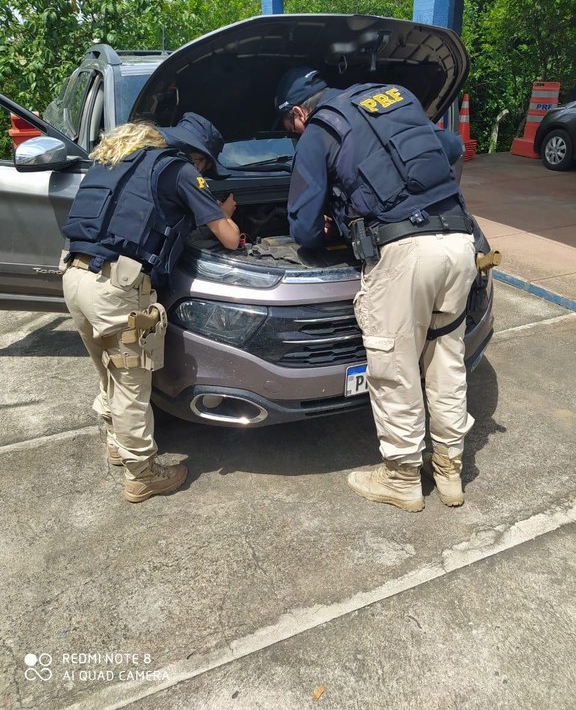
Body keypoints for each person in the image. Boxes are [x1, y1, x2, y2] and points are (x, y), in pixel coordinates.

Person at [275, 67, 478, 512]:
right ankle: (449, 470)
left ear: (297, 112)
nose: (293, 135)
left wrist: (331, 226)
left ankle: (403, 478)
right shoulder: (394, 97)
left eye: (290, 128)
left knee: (394, 365)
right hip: (460, 240)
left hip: (404, 253)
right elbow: (451, 147)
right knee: (446, 359)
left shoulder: (319, 128)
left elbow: (304, 228)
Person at [60, 114, 240, 503]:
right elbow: (229, 239)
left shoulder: (116, 161)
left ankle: (115, 443)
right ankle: (142, 473)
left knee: (107, 369)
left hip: (74, 276)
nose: (204, 168)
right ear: (198, 156)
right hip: (117, 287)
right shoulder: (177, 169)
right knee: (131, 380)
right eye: (206, 162)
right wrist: (224, 211)